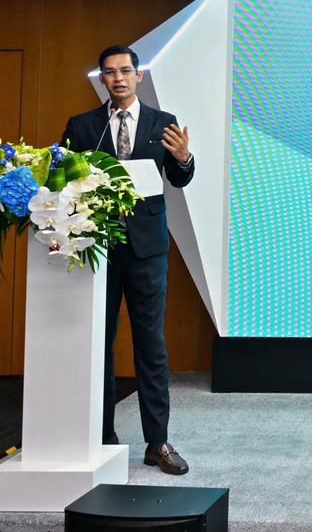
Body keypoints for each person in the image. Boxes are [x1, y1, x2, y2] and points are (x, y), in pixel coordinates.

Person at [61, 45, 195, 475]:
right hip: (97, 247)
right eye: (109, 72)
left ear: (138, 76)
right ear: (102, 78)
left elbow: (179, 178)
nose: (117, 78)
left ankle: (158, 443)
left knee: (150, 344)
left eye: (124, 71)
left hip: (146, 249)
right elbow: (62, 180)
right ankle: (101, 438)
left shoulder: (162, 122)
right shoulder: (83, 126)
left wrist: (184, 159)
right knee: (97, 342)